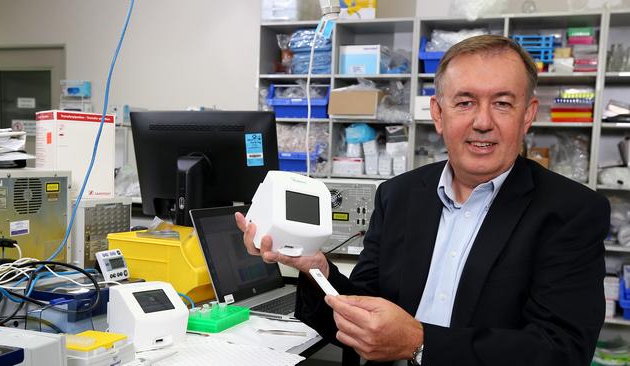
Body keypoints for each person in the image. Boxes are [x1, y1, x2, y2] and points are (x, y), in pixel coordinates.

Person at [235, 34, 609, 366]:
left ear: (527, 115)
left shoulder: (571, 212)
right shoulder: (398, 196)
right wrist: (318, 270)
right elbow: (363, 306)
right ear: (438, 114)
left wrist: (419, 343)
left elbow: (561, 351)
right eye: (464, 102)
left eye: (502, 104)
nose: (482, 122)